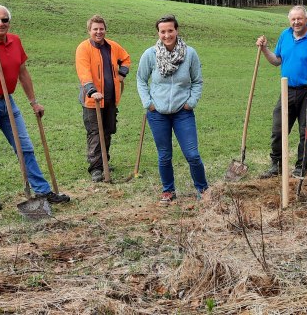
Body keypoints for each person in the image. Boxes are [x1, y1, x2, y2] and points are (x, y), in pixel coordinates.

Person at [0, 4, 70, 209]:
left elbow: (22, 73)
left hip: (7, 101)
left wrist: (33, 102)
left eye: (4, 20)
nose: (0, 23)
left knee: (25, 148)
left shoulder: (15, 41)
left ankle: (42, 191)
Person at [136, 14, 208, 205]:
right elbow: (141, 80)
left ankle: (203, 189)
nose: (167, 35)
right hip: (157, 113)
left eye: (170, 30)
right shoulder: (149, 55)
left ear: (177, 30)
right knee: (164, 155)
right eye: (163, 31)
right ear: (158, 33)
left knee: (192, 154)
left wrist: (190, 103)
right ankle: (168, 191)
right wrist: (148, 103)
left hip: (182, 112)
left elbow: (197, 81)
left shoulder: (190, 54)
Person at [258, 5, 307, 179]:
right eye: (293, 19)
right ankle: (276, 165)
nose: (296, 22)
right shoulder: (284, 35)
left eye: (299, 18)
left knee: (305, 130)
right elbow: (277, 60)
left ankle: (301, 167)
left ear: (306, 19)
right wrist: (264, 49)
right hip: (287, 90)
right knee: (278, 128)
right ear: (289, 20)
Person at [75, 14, 131, 182]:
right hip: (92, 100)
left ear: (105, 29)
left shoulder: (113, 46)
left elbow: (126, 59)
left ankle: (104, 161)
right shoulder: (83, 48)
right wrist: (92, 90)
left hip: (111, 98)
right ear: (89, 31)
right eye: (95, 29)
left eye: (101, 29)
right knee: (95, 133)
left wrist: (122, 74)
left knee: (107, 131)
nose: (99, 32)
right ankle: (96, 168)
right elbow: (84, 72)